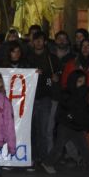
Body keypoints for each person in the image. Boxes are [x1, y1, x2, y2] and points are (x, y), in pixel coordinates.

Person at [41, 70, 89, 174]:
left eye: (83, 81)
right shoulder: (67, 93)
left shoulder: (84, 93)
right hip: (66, 125)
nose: (81, 84)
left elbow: (84, 110)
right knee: (58, 148)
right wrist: (69, 117)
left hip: (77, 126)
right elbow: (66, 106)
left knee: (84, 148)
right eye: (79, 81)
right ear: (73, 81)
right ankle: (47, 163)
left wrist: (85, 124)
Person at [23, 32, 58, 167]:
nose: (38, 43)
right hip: (30, 98)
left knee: (43, 130)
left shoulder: (51, 58)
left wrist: (56, 78)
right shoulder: (27, 58)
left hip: (45, 98)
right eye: (35, 40)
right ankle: (32, 157)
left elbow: (58, 73)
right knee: (31, 130)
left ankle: (44, 158)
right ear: (32, 42)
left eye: (40, 40)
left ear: (45, 42)